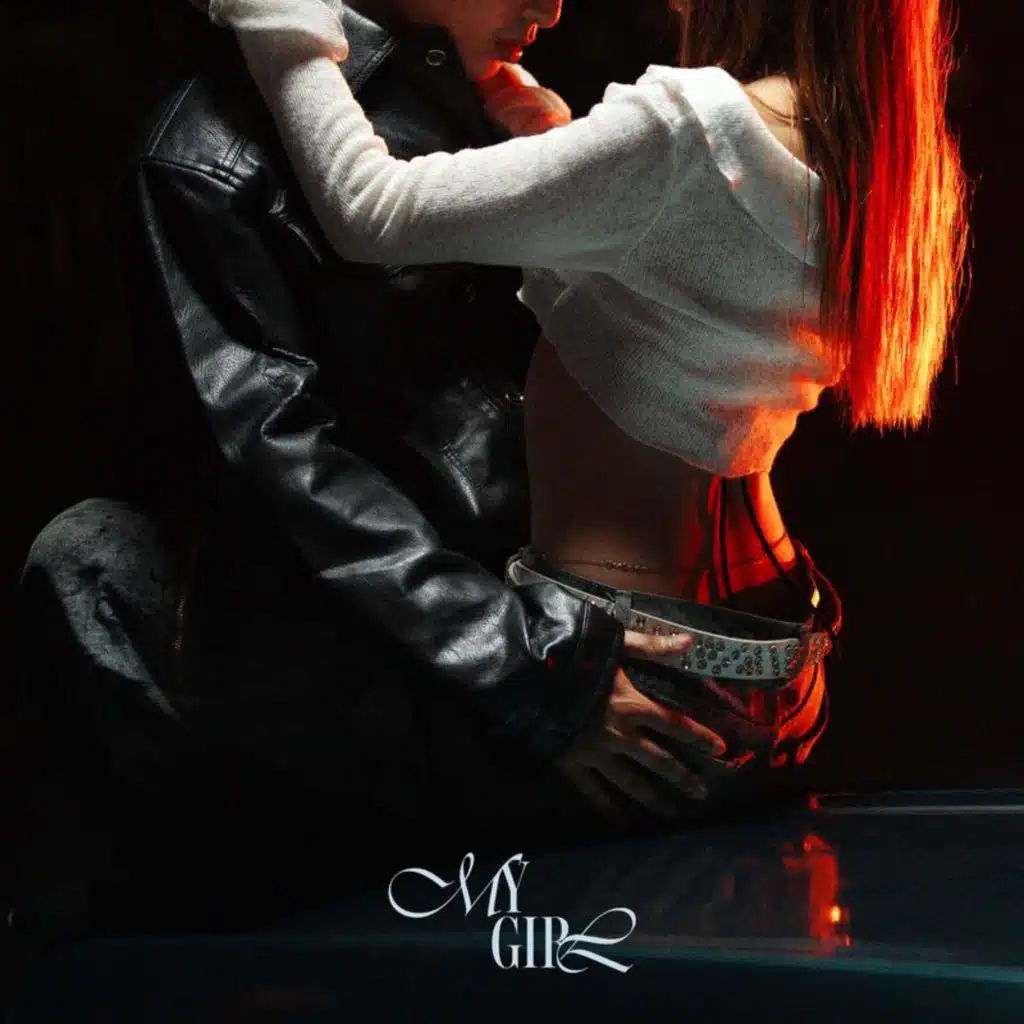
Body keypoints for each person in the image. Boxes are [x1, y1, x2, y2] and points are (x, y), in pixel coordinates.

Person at [13, 0, 739, 939]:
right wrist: (528, 671)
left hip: (565, 615)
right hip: (419, 652)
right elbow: (280, 468)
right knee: (84, 564)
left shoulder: (497, 99)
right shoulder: (204, 160)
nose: (551, 7)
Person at [198, 0, 968, 796]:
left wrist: (280, 21)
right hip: (779, 660)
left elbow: (370, 210)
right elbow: (679, 298)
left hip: (624, 667)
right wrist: (552, 147)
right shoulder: (880, 149)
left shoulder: (690, 126)